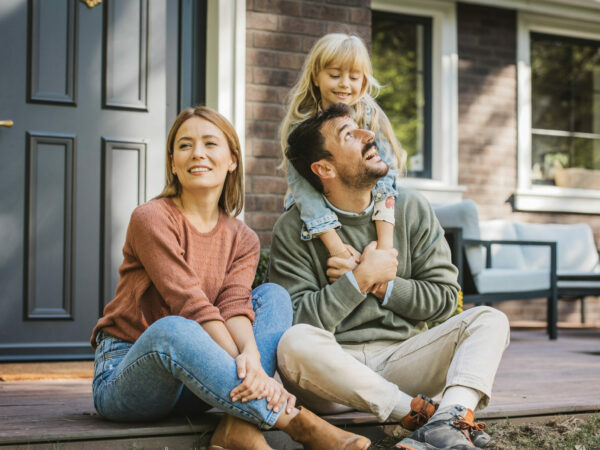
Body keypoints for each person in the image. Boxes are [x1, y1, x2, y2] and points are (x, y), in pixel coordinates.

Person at [90, 106, 371, 450]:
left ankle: (237, 425)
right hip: (130, 377)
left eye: (210, 143)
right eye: (185, 146)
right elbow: (190, 304)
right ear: (173, 163)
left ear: (232, 160)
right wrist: (250, 369)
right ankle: (299, 423)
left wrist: (251, 356)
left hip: (201, 381)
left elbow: (234, 305)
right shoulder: (151, 218)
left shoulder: (242, 237)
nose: (198, 154)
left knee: (273, 296)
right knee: (175, 328)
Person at [270, 103, 510, 449]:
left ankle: (450, 417)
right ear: (324, 167)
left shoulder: (411, 208)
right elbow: (296, 318)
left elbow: (444, 299)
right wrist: (359, 280)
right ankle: (419, 414)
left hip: (405, 358)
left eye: (361, 128)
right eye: (349, 135)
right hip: (333, 373)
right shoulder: (294, 227)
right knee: (293, 343)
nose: (369, 136)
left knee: (490, 320)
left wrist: (384, 285)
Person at [280, 33, 403, 264]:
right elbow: (304, 192)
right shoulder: (302, 126)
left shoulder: (370, 117)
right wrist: (337, 249)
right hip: (317, 215)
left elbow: (386, 176)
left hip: (366, 212)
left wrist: (385, 248)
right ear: (316, 77)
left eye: (354, 77)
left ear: (364, 82)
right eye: (335, 75)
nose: (345, 83)